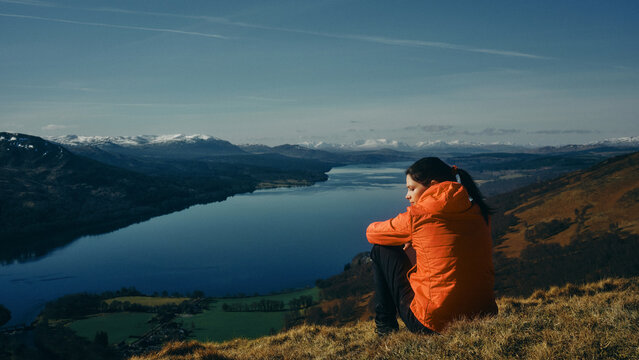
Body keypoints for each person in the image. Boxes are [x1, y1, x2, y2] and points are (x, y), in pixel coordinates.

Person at [366, 157, 498, 335]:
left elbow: (372, 233)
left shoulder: (418, 216)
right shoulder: (479, 211)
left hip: (433, 324)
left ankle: (385, 328)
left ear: (434, 185)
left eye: (412, 189)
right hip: (484, 314)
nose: (407, 196)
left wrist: (408, 235)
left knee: (381, 248)